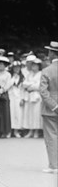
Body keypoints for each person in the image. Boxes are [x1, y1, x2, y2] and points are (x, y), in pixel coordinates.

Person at [39, 41, 58, 173]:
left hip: (51, 109)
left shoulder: (47, 70)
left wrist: (55, 106)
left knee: (51, 137)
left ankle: (54, 165)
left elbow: (43, 92)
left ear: (51, 53)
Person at [22, 58, 43, 138]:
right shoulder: (29, 74)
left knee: (36, 114)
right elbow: (24, 84)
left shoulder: (41, 74)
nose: (33, 67)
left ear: (38, 66)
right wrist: (31, 84)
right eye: (32, 65)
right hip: (29, 96)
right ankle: (30, 130)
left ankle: (36, 131)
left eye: (35, 65)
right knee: (29, 113)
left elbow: (39, 85)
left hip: (37, 96)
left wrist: (30, 86)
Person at [8, 61, 25, 138]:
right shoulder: (10, 76)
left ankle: (16, 131)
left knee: (18, 114)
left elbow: (23, 89)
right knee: (11, 114)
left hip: (18, 97)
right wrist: (13, 79)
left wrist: (22, 99)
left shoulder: (22, 77)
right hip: (11, 97)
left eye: (18, 68)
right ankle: (9, 131)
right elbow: (7, 86)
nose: (17, 69)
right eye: (15, 68)